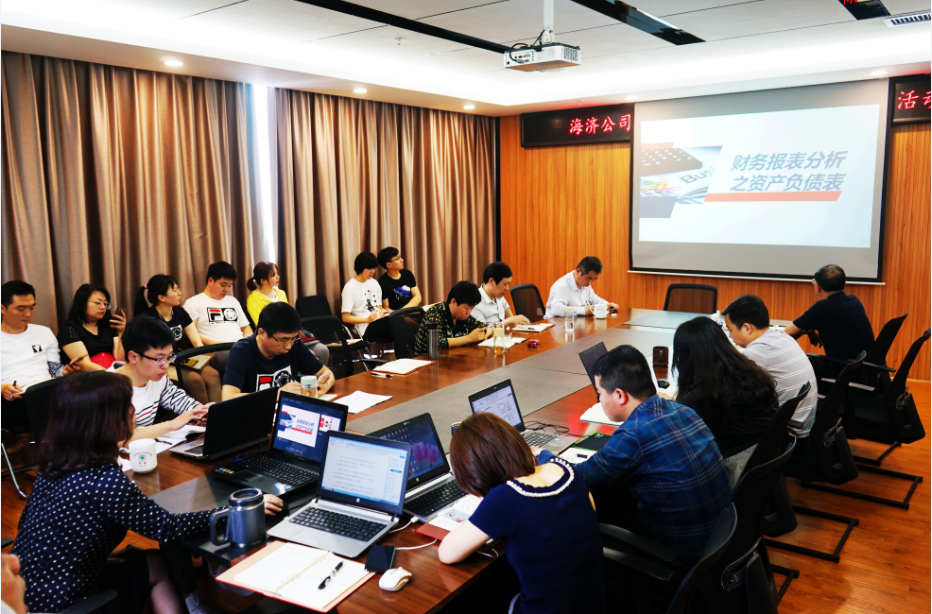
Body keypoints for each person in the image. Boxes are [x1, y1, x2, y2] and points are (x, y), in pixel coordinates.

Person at [10, 371, 283, 614]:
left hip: (25, 589)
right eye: (127, 405)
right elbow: (169, 528)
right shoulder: (104, 480)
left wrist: (91, 556)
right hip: (64, 602)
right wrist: (237, 511)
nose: (133, 410)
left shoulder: (57, 462)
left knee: (152, 560)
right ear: (107, 421)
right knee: (154, 562)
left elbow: (34, 526)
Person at [540, 345, 731, 563]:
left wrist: (543, 456)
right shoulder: (684, 411)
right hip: (719, 541)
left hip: (681, 556)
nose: (599, 400)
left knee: (587, 506)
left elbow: (574, 478)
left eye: (599, 394)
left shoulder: (633, 435)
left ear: (619, 395)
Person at [439, 412, 604, 614]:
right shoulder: (566, 469)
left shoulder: (506, 497)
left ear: (475, 472)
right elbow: (589, 507)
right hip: (592, 605)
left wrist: (487, 505)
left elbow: (447, 553)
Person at [673, 317, 778, 487]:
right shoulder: (749, 372)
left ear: (685, 356)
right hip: (762, 460)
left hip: (734, 472)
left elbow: (672, 430)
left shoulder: (703, 394)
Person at [722, 295, 818, 438]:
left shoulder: (757, 352)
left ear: (746, 328)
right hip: (802, 422)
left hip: (787, 433)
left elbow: (727, 389)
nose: (730, 336)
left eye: (730, 330)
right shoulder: (782, 337)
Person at [111, 317, 210, 442]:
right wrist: (170, 425)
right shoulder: (108, 389)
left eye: (169, 357)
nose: (166, 366)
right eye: (159, 359)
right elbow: (118, 439)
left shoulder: (157, 378)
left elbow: (177, 399)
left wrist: (202, 411)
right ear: (133, 357)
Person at [135, 274, 222, 403]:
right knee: (195, 380)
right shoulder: (148, 318)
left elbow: (195, 341)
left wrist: (203, 359)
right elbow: (147, 351)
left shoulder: (180, 312)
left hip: (180, 358)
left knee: (213, 375)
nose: (179, 293)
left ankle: (219, 412)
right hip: (161, 362)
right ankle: (203, 415)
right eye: (174, 290)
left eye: (178, 289)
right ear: (161, 297)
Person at [1, 281, 76, 429]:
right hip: (13, 399)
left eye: (32, 307)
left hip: (46, 392)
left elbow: (54, 369)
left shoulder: (43, 332)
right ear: (2, 308)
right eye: (20, 309)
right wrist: (2, 388)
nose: (28, 314)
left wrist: (65, 372)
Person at [222, 302, 334, 400]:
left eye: (293, 338)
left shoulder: (295, 344)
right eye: (283, 340)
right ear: (262, 333)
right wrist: (278, 393)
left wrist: (323, 387)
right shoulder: (241, 351)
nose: (289, 346)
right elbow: (228, 397)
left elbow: (326, 373)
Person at [784, 264, 875, 362]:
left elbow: (787, 332)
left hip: (843, 367)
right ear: (844, 284)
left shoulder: (823, 307)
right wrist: (809, 330)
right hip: (864, 367)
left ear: (818, 287)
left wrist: (808, 330)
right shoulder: (854, 301)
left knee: (796, 365)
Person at [245, 261, 329, 366]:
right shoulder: (253, 299)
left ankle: (319, 376)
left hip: (292, 336)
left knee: (322, 350)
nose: (278, 277)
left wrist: (296, 329)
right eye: (273, 275)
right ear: (263, 280)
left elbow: (289, 317)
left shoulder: (281, 293)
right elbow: (262, 323)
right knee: (310, 355)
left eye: (277, 273)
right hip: (276, 339)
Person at [183, 261, 252, 376]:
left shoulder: (233, 301)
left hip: (240, 347)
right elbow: (189, 332)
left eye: (229, 285)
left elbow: (246, 328)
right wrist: (214, 343)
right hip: (217, 350)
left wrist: (246, 342)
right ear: (211, 281)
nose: (227, 290)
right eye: (223, 285)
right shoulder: (193, 303)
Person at [58, 283, 127, 371]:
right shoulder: (69, 329)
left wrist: (121, 332)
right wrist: (112, 375)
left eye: (105, 303)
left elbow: (120, 359)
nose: (103, 307)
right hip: (89, 376)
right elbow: (84, 365)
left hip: (111, 372)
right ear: (82, 303)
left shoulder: (109, 325)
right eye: (98, 303)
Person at [414, 281, 490, 355]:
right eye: (466, 308)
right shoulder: (435, 313)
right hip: (427, 359)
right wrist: (469, 338)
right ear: (453, 302)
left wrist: (484, 334)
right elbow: (437, 343)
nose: (469, 312)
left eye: (472, 308)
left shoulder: (463, 316)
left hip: (453, 357)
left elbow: (484, 327)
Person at [342, 251, 394, 343]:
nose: (372, 271)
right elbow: (345, 317)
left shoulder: (374, 283)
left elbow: (379, 308)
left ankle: (405, 351)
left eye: (374, 268)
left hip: (380, 321)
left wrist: (387, 313)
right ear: (360, 267)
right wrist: (367, 319)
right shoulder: (349, 288)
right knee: (397, 325)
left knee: (400, 323)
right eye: (369, 268)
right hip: (364, 327)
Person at [544, 256, 618, 318]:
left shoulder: (585, 284)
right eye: (589, 278)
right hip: (558, 325)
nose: (590, 282)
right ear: (578, 271)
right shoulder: (562, 286)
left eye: (594, 279)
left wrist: (606, 305)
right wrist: (582, 310)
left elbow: (593, 299)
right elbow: (556, 309)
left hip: (576, 323)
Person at [471, 262, 531, 328]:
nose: (507, 288)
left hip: (506, 334)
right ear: (491, 281)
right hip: (492, 335)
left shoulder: (498, 295)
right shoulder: (475, 302)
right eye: (505, 284)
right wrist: (508, 321)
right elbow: (482, 332)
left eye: (508, 284)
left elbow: (513, 321)